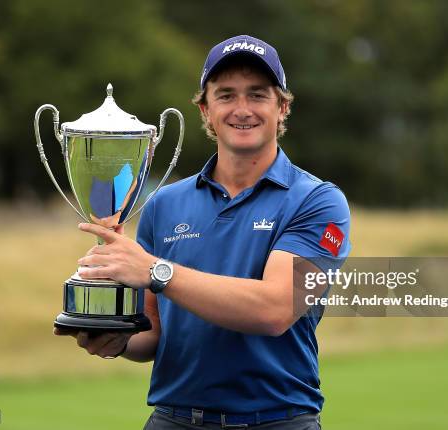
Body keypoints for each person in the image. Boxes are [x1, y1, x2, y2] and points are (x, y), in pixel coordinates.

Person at [55, 34, 350, 429]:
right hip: (173, 420)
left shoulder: (317, 202)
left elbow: (275, 310)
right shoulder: (165, 203)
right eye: (226, 95)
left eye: (258, 95)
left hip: (277, 421)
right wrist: (116, 339)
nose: (242, 109)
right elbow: (153, 335)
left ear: (282, 108)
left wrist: (158, 271)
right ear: (205, 110)